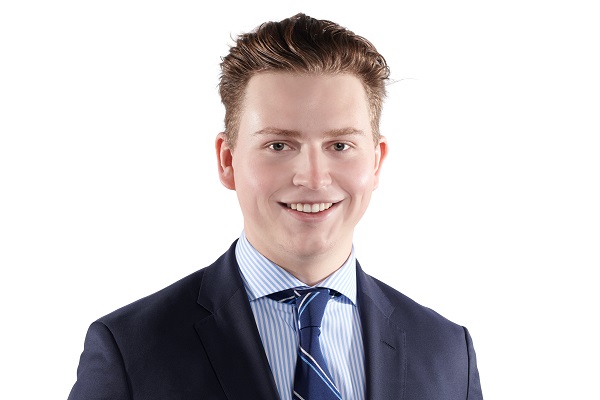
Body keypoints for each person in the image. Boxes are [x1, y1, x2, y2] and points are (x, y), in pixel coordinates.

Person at [68, 12, 483, 400]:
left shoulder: (447, 352)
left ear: (376, 162)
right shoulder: (130, 350)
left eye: (340, 145)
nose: (313, 178)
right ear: (227, 160)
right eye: (279, 145)